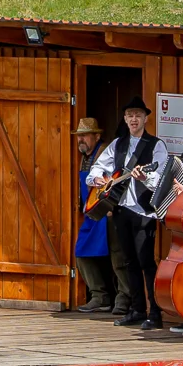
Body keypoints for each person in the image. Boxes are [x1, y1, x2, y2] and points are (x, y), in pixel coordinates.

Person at [85, 100, 169, 329]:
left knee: (146, 263)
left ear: (145, 119)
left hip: (144, 212)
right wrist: (99, 179)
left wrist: (145, 178)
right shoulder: (117, 144)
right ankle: (137, 310)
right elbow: (95, 170)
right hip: (121, 209)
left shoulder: (155, 145)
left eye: (138, 115)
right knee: (129, 261)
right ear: (124, 119)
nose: (134, 119)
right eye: (130, 115)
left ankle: (155, 314)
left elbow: (161, 177)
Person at [71, 117, 117, 313]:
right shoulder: (84, 156)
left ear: (96, 136)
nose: (81, 140)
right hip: (90, 212)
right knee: (81, 252)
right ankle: (99, 295)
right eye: (79, 136)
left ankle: (111, 297)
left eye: (85, 136)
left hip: (104, 211)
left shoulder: (104, 152)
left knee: (113, 257)